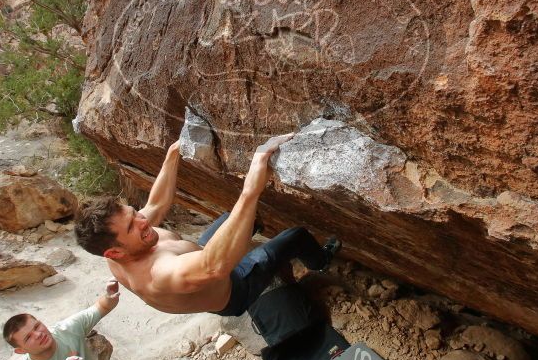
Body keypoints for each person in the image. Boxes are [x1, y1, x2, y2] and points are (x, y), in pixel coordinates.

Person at [74, 135, 341, 316]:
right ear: (114, 253)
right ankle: (320, 261)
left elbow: (155, 205)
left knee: (241, 219)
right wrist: (250, 191)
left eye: (134, 214)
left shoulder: (121, 243)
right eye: (133, 226)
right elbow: (214, 266)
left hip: (200, 258)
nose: (144, 221)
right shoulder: (159, 274)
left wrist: (172, 153)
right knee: (296, 236)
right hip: (233, 288)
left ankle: (258, 245)